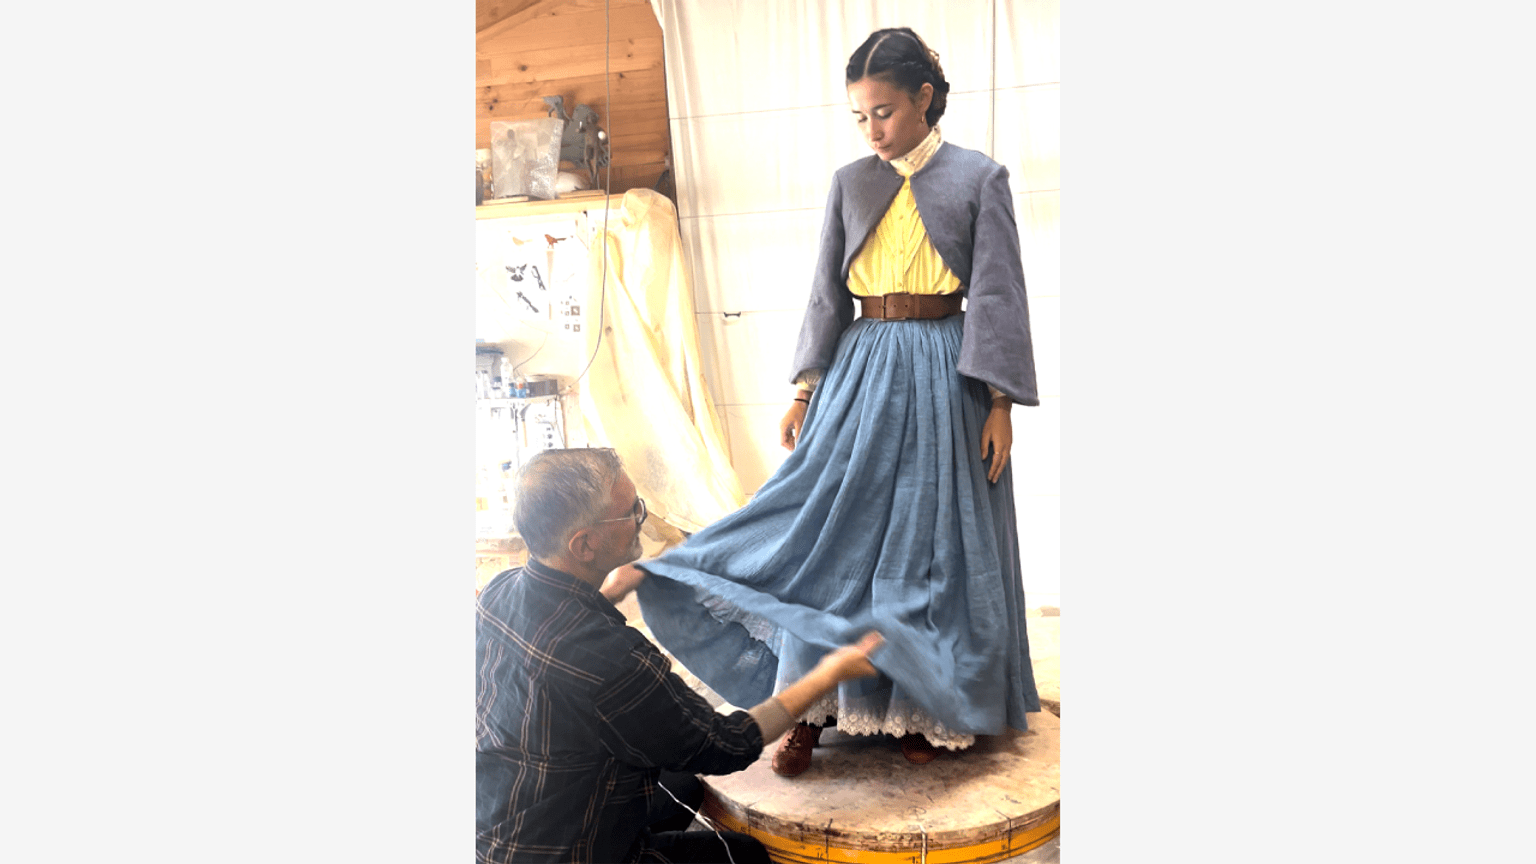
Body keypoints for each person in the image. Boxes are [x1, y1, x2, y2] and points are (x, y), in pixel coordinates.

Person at [634, 26, 1041, 777]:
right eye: (860, 117)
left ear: (924, 98)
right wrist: (804, 389)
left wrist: (999, 404)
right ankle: (809, 711)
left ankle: (917, 707)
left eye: (883, 111)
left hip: (946, 373)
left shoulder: (979, 179)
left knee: (929, 554)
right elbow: (826, 290)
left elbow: (996, 296)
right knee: (829, 540)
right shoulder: (851, 182)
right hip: (859, 371)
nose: (872, 130)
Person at [475, 448, 883, 863]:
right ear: (584, 545)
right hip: (575, 855)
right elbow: (728, 744)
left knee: (682, 782)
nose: (641, 518)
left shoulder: (498, 592)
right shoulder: (616, 662)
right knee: (745, 855)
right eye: (631, 511)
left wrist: (611, 592)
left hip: (500, 835)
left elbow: (560, 647)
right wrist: (828, 672)